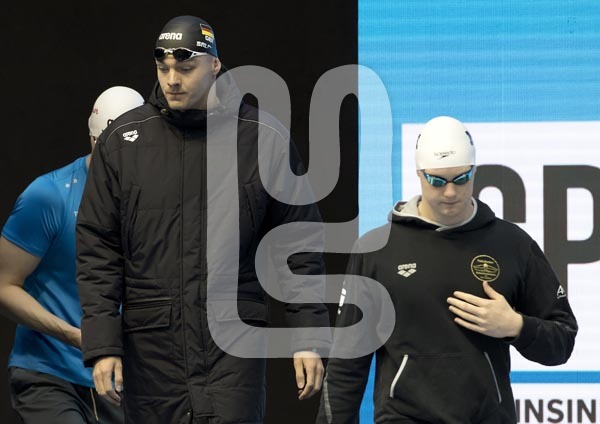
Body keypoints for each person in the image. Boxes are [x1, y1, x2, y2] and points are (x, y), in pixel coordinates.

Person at [75, 15, 330, 424]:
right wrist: (104, 345)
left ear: (214, 65)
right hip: (152, 349)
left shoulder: (262, 137)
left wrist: (308, 335)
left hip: (233, 345)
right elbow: (97, 250)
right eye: (163, 68)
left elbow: (297, 244)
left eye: (185, 67)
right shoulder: (123, 142)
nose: (172, 79)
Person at [316, 115, 578, 423]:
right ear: (419, 173)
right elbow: (347, 364)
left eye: (461, 178)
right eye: (437, 181)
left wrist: (516, 326)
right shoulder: (376, 250)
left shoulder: (513, 245)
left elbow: (563, 341)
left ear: (474, 171)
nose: (450, 192)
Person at [0, 86, 144, 423]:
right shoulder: (48, 196)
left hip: (121, 379)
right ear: (93, 140)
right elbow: (4, 286)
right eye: (109, 148)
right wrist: (75, 336)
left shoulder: (154, 204)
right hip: (50, 374)